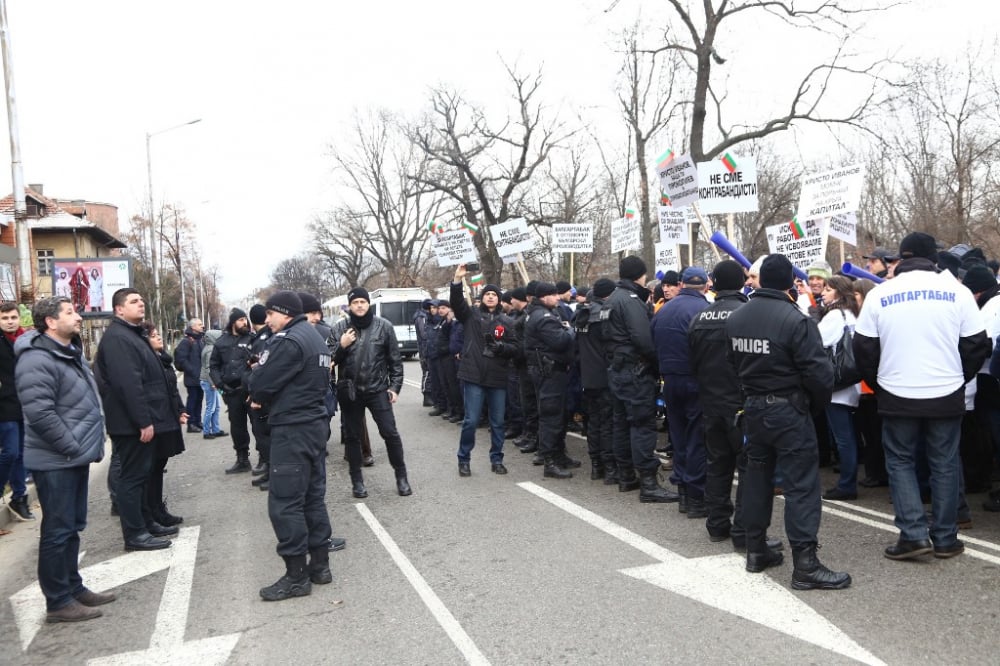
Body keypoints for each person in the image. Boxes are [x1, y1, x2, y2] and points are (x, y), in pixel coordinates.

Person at [854, 232, 990, 560]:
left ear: (900, 258)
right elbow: (976, 345)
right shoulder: (957, 292)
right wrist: (959, 377)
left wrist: (882, 383)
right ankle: (945, 538)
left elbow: (863, 348)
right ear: (935, 258)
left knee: (900, 462)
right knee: (944, 462)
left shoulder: (880, 294)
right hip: (945, 391)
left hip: (897, 391)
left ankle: (913, 534)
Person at [725, 254, 851, 589]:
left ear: (761, 280)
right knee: (801, 487)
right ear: (788, 284)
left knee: (756, 479)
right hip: (788, 411)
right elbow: (820, 374)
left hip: (754, 409)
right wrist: (811, 407)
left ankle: (756, 550)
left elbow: (730, 365)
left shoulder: (737, 318)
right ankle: (805, 565)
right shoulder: (796, 320)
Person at [15, 296, 113, 622]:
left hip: (71, 456)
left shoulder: (68, 352)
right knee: (57, 530)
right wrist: (71, 445)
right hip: (56, 459)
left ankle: (73, 586)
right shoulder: (36, 359)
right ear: (51, 322)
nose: (79, 316)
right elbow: (40, 414)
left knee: (71, 526)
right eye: (70, 312)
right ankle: (58, 601)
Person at [248, 291, 334, 601]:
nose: (266, 319)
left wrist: (256, 376)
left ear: (284, 313)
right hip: (313, 424)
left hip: (293, 429)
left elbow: (259, 384)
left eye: (271, 313)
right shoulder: (314, 337)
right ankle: (320, 565)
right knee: (312, 498)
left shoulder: (289, 341)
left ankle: (297, 575)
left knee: (285, 503)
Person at [94, 288, 177, 552]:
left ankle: (147, 522)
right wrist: (143, 421)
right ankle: (135, 534)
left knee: (143, 475)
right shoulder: (118, 338)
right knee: (132, 479)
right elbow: (128, 384)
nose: (141, 304)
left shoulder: (131, 334)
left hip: (140, 420)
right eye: (133, 301)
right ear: (119, 309)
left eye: (141, 300)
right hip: (130, 424)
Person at [688, 261, 756, 546]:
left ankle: (716, 523)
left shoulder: (699, 318)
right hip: (741, 403)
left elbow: (693, 362)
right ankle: (742, 528)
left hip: (711, 401)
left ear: (714, 284)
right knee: (749, 467)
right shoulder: (747, 315)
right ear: (742, 283)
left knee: (717, 463)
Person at [605, 256, 679, 502]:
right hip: (634, 371)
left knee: (622, 424)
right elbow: (643, 340)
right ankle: (648, 483)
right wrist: (659, 365)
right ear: (639, 275)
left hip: (617, 370)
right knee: (641, 425)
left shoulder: (612, 299)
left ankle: (626, 476)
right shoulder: (630, 300)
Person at [330, 287, 411, 498]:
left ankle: (401, 477)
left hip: (377, 390)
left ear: (368, 304)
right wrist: (342, 345)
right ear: (349, 305)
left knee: (390, 433)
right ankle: (357, 482)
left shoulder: (384, 327)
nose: (359, 305)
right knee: (353, 437)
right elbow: (328, 361)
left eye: (362, 302)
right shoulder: (339, 328)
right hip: (351, 392)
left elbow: (395, 361)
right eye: (355, 302)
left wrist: (394, 387)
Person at [652, 266, 711, 516]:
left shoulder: (664, 310)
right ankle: (696, 496)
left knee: (679, 437)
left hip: (670, 380)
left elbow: (652, 341)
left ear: (683, 284)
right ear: (706, 285)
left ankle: (684, 494)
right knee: (697, 437)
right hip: (695, 380)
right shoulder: (704, 310)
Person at [450, 266, 517, 476]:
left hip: (497, 377)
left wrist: (502, 348)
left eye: (494, 294)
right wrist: (457, 281)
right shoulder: (470, 316)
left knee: (497, 422)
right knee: (471, 420)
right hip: (474, 375)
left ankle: (497, 459)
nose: (490, 297)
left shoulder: (507, 322)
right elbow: (457, 303)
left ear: (498, 299)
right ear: (482, 297)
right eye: (487, 294)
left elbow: (515, 347)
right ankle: (464, 459)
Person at [523, 282, 576, 478]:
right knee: (551, 416)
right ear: (544, 297)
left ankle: (559, 454)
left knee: (559, 415)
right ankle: (550, 461)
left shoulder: (541, 312)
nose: (558, 298)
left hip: (551, 371)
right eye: (553, 295)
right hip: (549, 371)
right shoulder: (543, 317)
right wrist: (570, 330)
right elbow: (560, 341)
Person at [817, 276, 863, 501]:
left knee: (843, 437)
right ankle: (848, 480)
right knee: (847, 435)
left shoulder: (834, 316)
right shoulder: (851, 313)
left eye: (828, 289)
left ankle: (847, 484)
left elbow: (815, 342)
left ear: (838, 292)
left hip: (838, 385)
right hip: (850, 382)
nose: (823, 293)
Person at [141, 323, 187, 525]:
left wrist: (180, 410)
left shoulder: (163, 360)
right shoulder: (145, 361)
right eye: (153, 336)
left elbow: (172, 390)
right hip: (155, 419)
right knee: (151, 469)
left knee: (159, 465)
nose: (159, 338)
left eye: (159, 334)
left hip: (166, 418)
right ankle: (151, 512)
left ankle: (158, 509)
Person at [573, 278, 617, 481]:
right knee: (607, 424)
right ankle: (609, 468)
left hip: (587, 377)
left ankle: (596, 466)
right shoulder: (604, 316)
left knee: (593, 422)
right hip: (604, 376)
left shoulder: (579, 316)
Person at [210, 308, 254, 474]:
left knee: (259, 425)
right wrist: (221, 384)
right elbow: (213, 366)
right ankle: (242, 459)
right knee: (237, 427)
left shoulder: (252, 339)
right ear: (233, 322)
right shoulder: (221, 342)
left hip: (250, 390)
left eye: (245, 319)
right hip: (232, 391)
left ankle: (265, 459)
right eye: (241, 319)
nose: (244, 322)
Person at [0, 301, 33, 521]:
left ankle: (19, 497)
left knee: (21, 454)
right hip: (3, 406)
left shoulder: (24, 341)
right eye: (4, 318)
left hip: (24, 403)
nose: (10, 322)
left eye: (13, 317)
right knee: (11, 452)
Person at [173, 318, 205, 433]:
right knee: (192, 400)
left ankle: (197, 421)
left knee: (199, 399)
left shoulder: (199, 340)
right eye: (200, 324)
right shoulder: (186, 341)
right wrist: (193, 371)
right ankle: (191, 424)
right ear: (193, 327)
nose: (202, 326)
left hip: (200, 378)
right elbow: (182, 360)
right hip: (192, 378)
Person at [200, 330, 225, 440]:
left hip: (208, 381)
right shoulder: (210, 350)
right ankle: (206, 431)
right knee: (211, 407)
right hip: (208, 381)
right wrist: (213, 382)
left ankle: (215, 430)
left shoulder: (210, 347)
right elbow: (208, 368)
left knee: (216, 407)